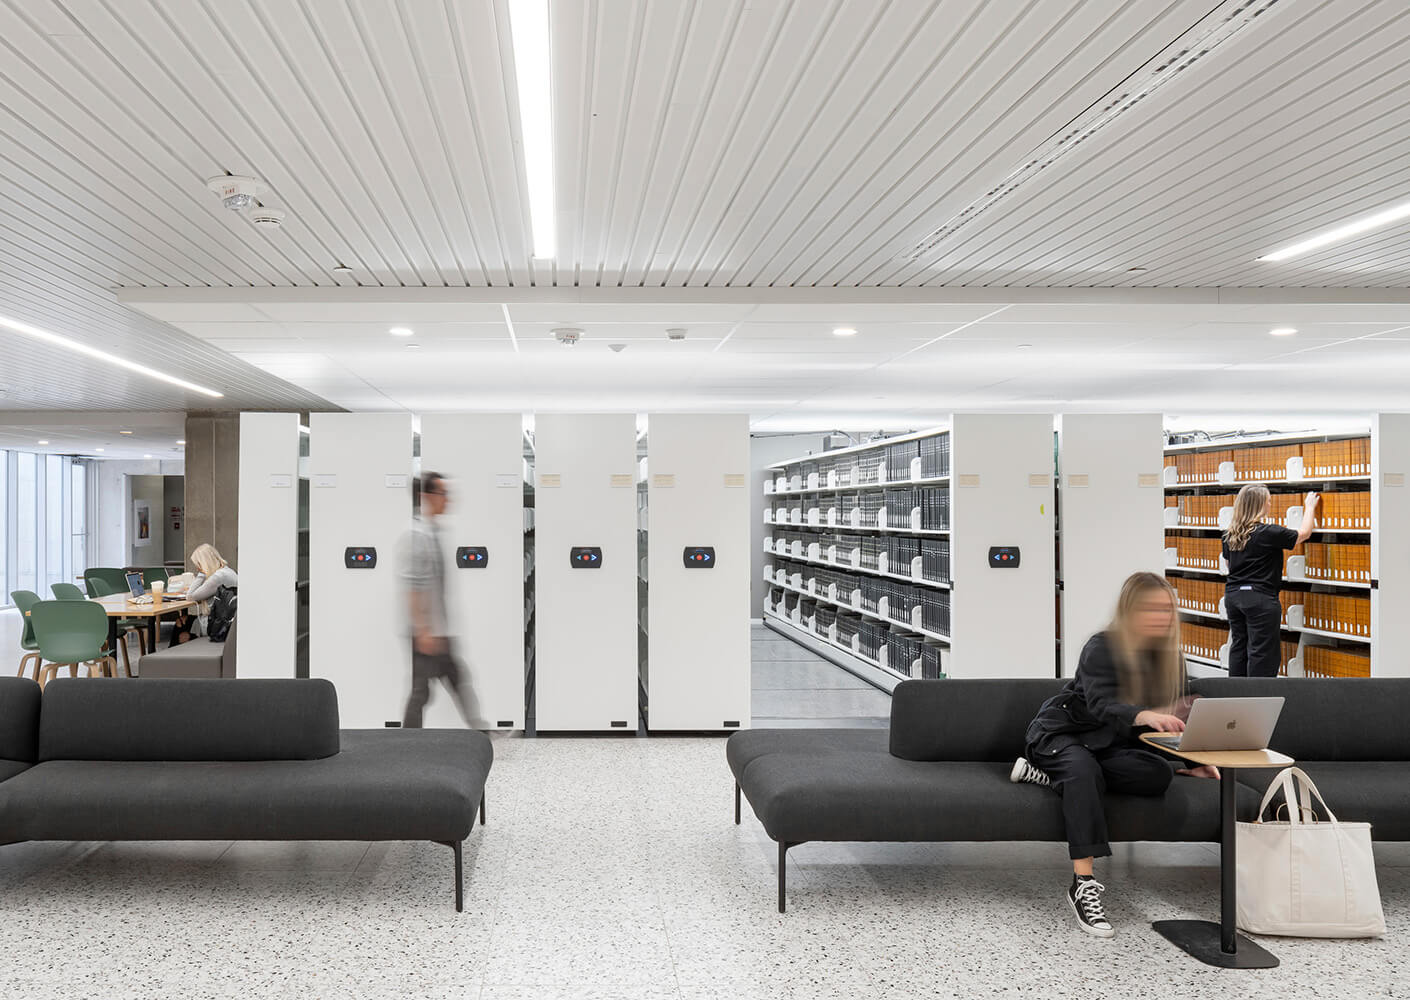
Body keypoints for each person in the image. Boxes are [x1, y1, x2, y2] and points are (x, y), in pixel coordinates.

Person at [1010, 572, 1219, 938]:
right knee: (1082, 773)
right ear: (1129, 611)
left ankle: (1046, 776)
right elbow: (1101, 704)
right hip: (1064, 733)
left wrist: (1195, 762)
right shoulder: (1101, 646)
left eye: (1167, 609)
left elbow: (1180, 714)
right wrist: (1143, 714)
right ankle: (1083, 884)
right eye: (1151, 609)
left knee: (1156, 774)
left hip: (1107, 746)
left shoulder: (1169, 659)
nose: (1161, 617)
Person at [400, 472, 479, 729]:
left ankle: (479, 729)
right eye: (443, 494)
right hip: (426, 632)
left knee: (454, 680)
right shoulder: (418, 537)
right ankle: (406, 743)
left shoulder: (432, 533)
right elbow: (413, 587)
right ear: (427, 497)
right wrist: (424, 630)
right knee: (422, 692)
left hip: (437, 630)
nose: (448, 500)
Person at [1223, 484, 1319, 677]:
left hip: (1233, 596)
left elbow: (1228, 564)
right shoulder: (1269, 532)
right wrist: (1309, 507)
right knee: (1263, 653)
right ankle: (1259, 698)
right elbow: (1304, 534)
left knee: (1239, 646)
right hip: (1260, 599)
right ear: (1259, 504)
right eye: (1267, 500)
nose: (1269, 503)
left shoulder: (1229, 534)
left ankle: (1235, 695)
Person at [169, 543, 238, 646]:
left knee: (181, 624)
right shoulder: (227, 571)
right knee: (184, 619)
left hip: (217, 625)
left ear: (204, 563)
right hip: (226, 622)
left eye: (198, 565)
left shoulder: (218, 577)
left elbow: (190, 596)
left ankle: (173, 658)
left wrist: (202, 573)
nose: (197, 568)